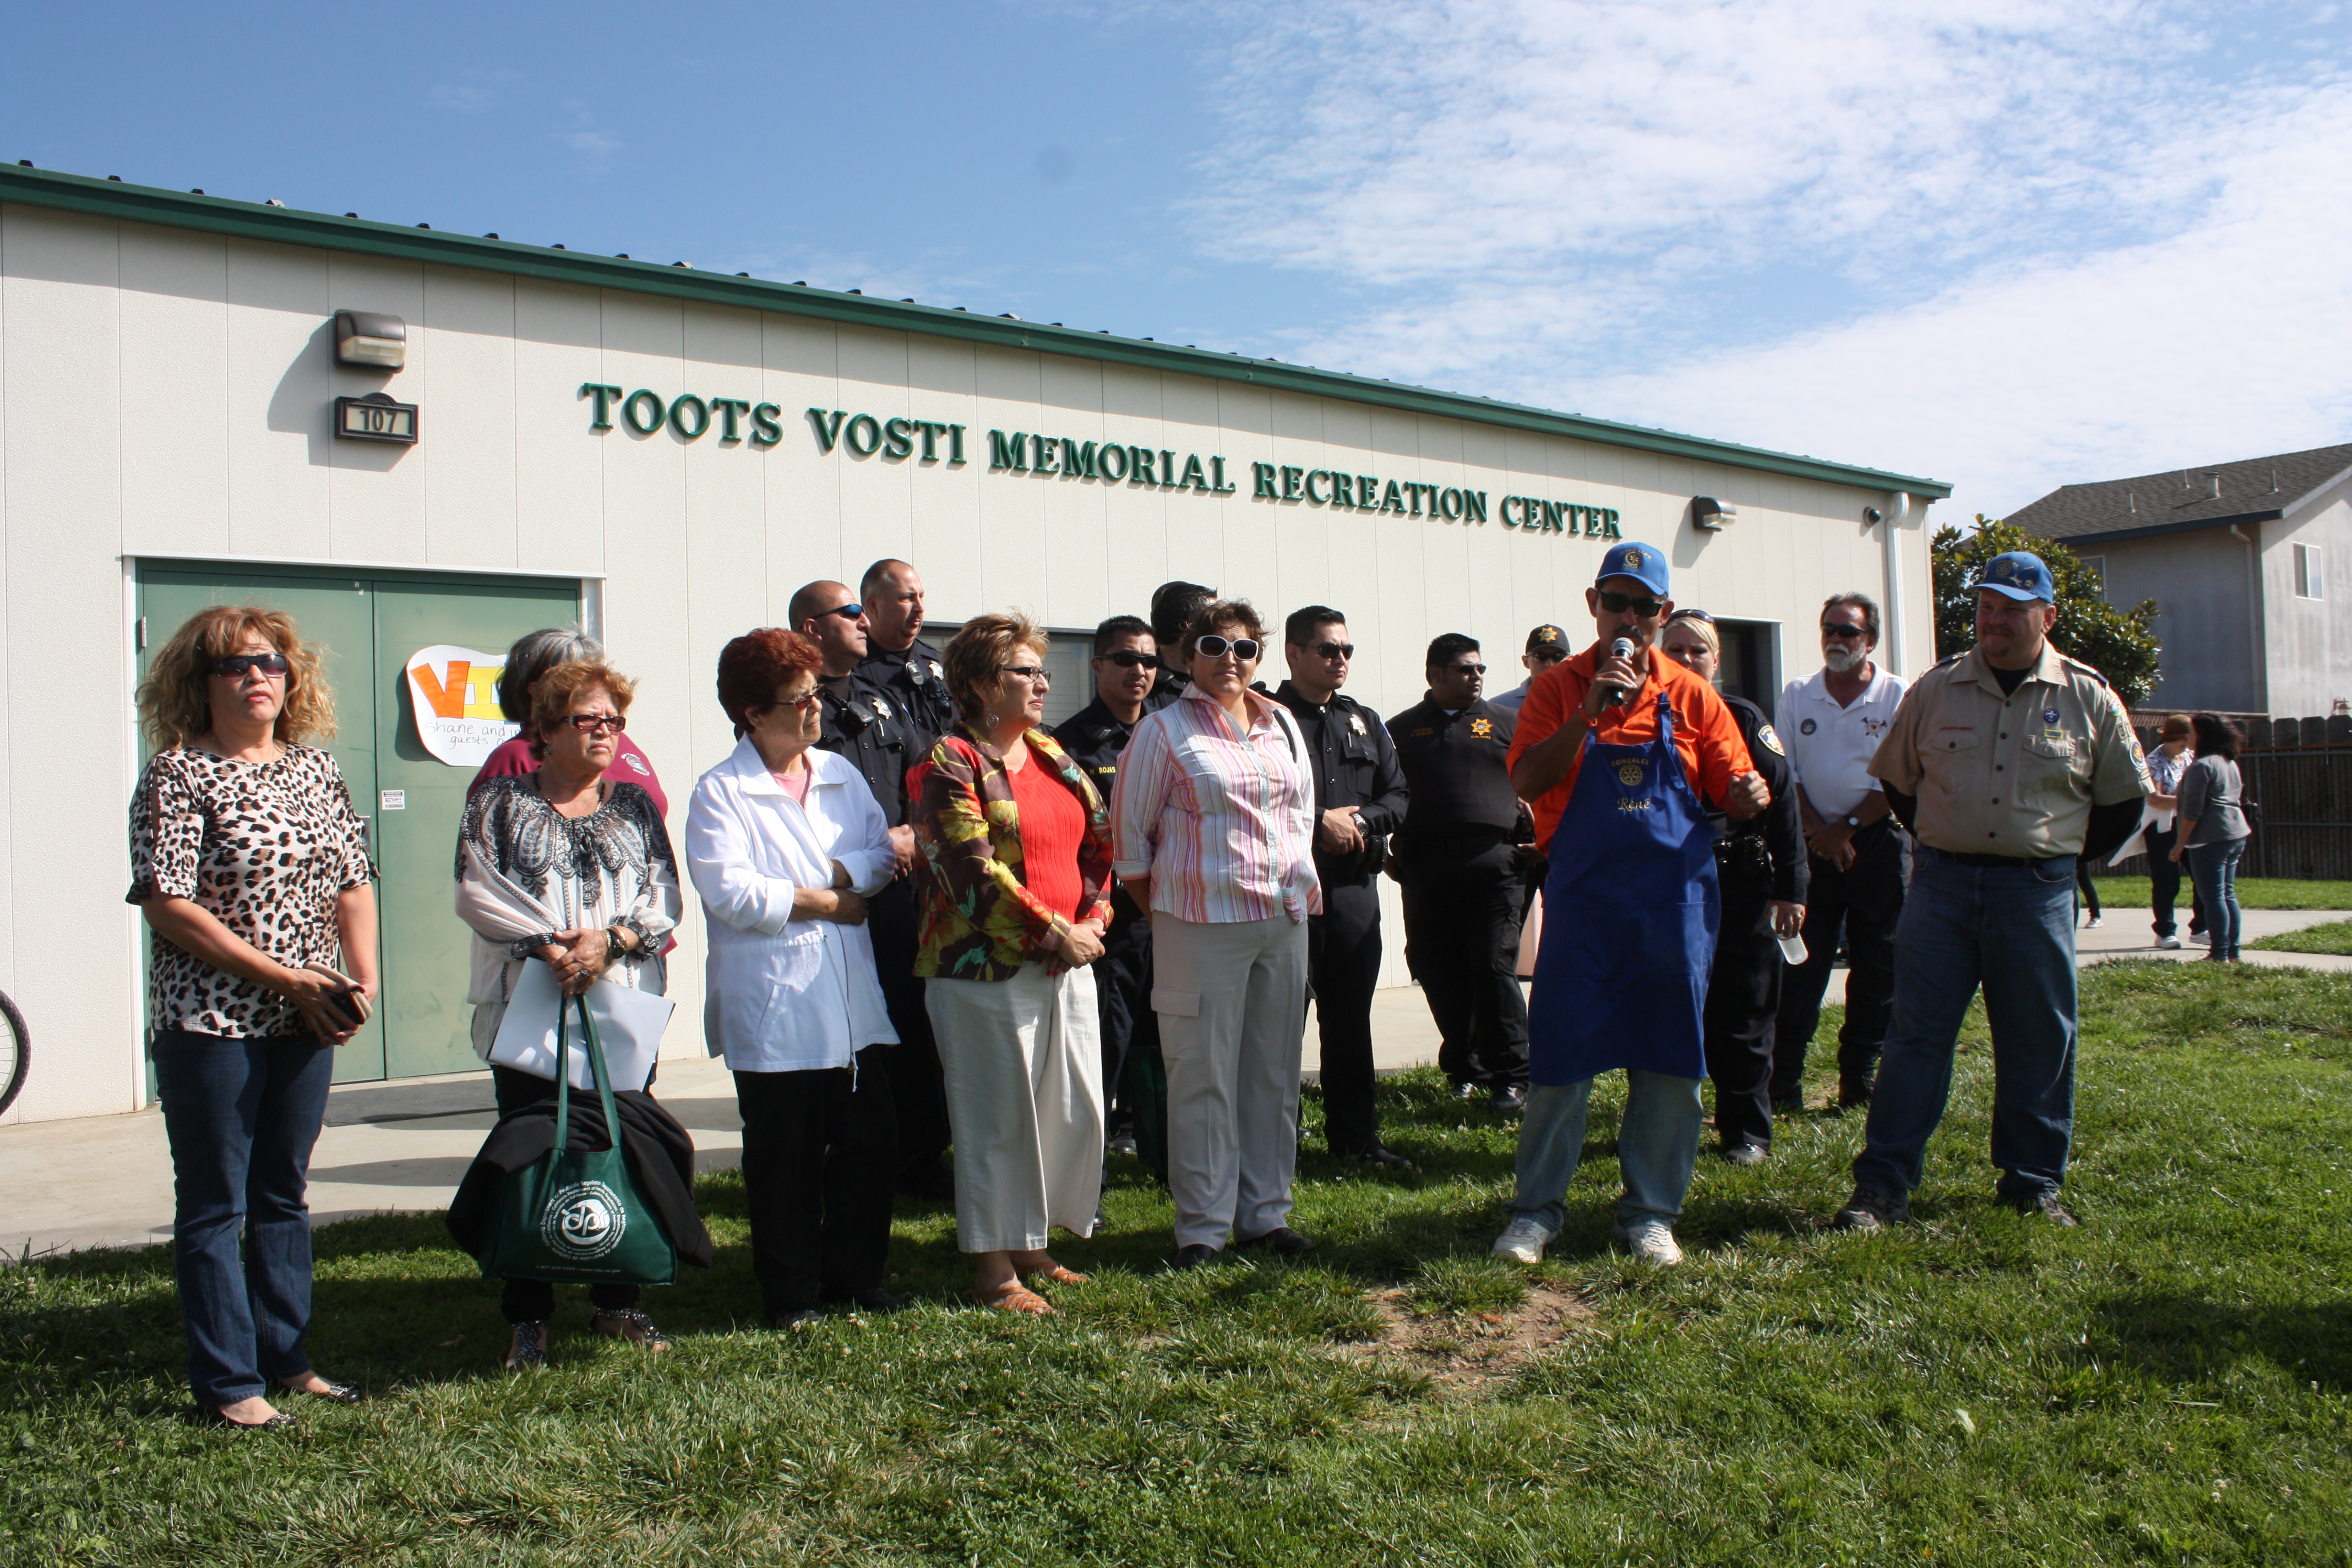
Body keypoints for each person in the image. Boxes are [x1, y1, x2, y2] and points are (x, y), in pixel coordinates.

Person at [1833, 551, 2151, 1233]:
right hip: (1943, 886)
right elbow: (1898, 781)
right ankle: (1883, 1186)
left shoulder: (2087, 695)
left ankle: (2032, 1183)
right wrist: (1951, 841)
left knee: (2038, 1038)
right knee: (1915, 1037)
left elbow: (2124, 802)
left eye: (2011, 608)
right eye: (1985, 607)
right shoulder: (1937, 688)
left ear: (2047, 616)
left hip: (2035, 893)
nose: (1994, 620)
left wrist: (2053, 855)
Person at [128, 607, 379, 1429]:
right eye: (237, 665)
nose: (259, 677)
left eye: (272, 662)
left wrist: (360, 980)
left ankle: (289, 1358)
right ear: (199, 684)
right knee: (214, 1202)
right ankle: (230, 1383)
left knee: (283, 1192)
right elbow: (168, 906)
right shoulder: (178, 775)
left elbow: (353, 878)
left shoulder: (313, 769)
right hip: (211, 1020)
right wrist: (283, 979)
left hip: (306, 1019)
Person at [1491, 543, 1770, 1267]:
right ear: (1594, 605)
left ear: (1664, 614)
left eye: (1646, 606)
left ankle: (1650, 1214)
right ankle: (1535, 1213)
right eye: (1618, 602)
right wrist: (1588, 715)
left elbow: (1731, 783)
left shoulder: (1693, 694)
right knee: (1560, 1064)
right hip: (1584, 905)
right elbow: (1525, 778)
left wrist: (1748, 795)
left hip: (1674, 908)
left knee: (1670, 1064)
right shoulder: (1559, 687)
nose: (1631, 617)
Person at [451, 658, 696, 1368]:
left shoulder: (635, 807)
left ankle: (618, 1300)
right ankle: (528, 1315)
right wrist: (549, 947)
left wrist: (611, 941)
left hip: (620, 1004)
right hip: (532, 999)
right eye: (590, 720)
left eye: (615, 721)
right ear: (546, 729)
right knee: (531, 1145)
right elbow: (476, 889)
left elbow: (664, 896)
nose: (607, 733)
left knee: (624, 1136)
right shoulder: (498, 802)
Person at [685, 629, 905, 1329]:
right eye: (799, 698)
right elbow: (735, 894)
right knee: (785, 1161)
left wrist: (835, 880)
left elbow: (880, 854)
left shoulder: (840, 775)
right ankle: (791, 1293)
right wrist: (834, 899)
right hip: (776, 1009)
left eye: (816, 692)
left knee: (867, 1148)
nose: (816, 708)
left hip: (850, 1005)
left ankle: (856, 1277)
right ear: (753, 713)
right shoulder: (722, 792)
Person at [912, 612, 1117, 1314]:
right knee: (997, 1118)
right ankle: (995, 1273)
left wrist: (1093, 920)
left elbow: (1099, 851)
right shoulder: (951, 761)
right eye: (1023, 671)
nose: (1040, 683)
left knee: (1065, 1108)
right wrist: (1055, 930)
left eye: (1042, 671)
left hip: (1069, 961)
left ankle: (1034, 1246)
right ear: (977, 685)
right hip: (984, 970)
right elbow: (969, 871)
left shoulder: (1053, 755)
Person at [1112, 599, 1320, 1266]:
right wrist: (1174, 917)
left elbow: (1302, 817)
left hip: (1281, 925)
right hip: (1197, 928)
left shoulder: (1283, 722)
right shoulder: (1162, 731)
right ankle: (1202, 1228)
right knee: (1200, 1075)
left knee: (1272, 1074)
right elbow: (1130, 847)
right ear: (1186, 654)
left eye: (1244, 647)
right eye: (1214, 644)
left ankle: (1265, 1216)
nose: (1230, 658)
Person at [790, 579, 952, 1199]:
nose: (865, 622)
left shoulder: (879, 698)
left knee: (910, 1022)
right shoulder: (795, 709)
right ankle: (845, 1158)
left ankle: (917, 1156)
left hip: (898, 894)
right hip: (834, 896)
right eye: (852, 612)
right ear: (813, 628)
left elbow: (929, 765)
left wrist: (916, 829)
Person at [1659, 609, 1806, 1164]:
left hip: (1738, 885)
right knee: (1674, 1014)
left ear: (1717, 661)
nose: (1687, 660)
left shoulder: (1741, 717)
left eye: (1699, 651)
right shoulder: (1640, 716)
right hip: (1669, 888)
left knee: (1743, 1013)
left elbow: (1785, 801)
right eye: (1676, 650)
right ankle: (1669, 1128)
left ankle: (1746, 1131)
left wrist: (1792, 888)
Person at [1275, 606, 1412, 1167]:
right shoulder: (1267, 717)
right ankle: (1275, 1145)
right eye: (1328, 650)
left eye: (1347, 651)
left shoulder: (1364, 720)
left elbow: (1398, 795)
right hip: (1287, 890)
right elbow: (1254, 800)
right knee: (1280, 1024)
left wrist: (1357, 822)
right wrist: (1317, 822)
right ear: (1294, 653)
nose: (1340, 660)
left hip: (1353, 889)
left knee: (1350, 1019)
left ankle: (1356, 1140)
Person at [1773, 594, 1911, 1113]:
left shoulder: (1898, 694)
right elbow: (1788, 773)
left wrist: (1848, 828)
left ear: (1870, 640)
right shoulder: (1799, 695)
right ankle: (1783, 1083)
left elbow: (1901, 776)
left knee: (1879, 965)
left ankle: (1859, 1080)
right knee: (1801, 965)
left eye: (1848, 632)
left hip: (1877, 842)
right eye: (1829, 628)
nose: (1836, 639)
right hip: (1813, 846)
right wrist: (1820, 832)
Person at [1387, 634, 1532, 1112]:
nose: (1477, 676)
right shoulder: (1401, 731)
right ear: (1435, 675)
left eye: (1480, 668)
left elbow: (1543, 778)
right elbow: (1379, 790)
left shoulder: (1508, 723)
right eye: (1466, 669)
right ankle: (1466, 1069)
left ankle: (1512, 1075)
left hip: (1494, 865)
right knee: (1436, 967)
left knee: (1492, 967)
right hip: (1426, 867)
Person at [1051, 615, 1167, 1173]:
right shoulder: (1066, 743)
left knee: (1165, 1037)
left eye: (1148, 660)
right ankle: (1085, 1168)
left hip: (1168, 912)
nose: (1139, 671)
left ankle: (1159, 1151)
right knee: (1106, 1042)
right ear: (1097, 665)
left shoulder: (1170, 733)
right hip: (1108, 920)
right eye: (1125, 659)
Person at [471, 628, 669, 819]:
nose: (595, 687)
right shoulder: (517, 756)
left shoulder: (616, 739)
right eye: (575, 681)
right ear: (538, 691)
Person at [2172, 712, 2251, 963]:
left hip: (2210, 838)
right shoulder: (2228, 761)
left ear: (2203, 735)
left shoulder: (2202, 766)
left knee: (2214, 896)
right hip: (2235, 833)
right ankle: (2232, 952)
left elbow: (2193, 810)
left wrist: (2179, 844)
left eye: (2191, 732)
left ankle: (2218, 954)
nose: (2188, 737)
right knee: (2227, 893)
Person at [856, 558, 956, 752]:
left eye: (921, 596)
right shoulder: (852, 671)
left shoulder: (943, 664)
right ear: (873, 606)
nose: (920, 607)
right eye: (907, 598)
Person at [2142, 714, 2197, 949]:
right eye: (2183, 743)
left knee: (2201, 875)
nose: (2186, 748)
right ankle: (2165, 931)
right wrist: (2189, 801)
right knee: (2167, 879)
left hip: (2188, 823)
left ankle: (2201, 927)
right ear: (2172, 739)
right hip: (2162, 827)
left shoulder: (2191, 758)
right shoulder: (2153, 761)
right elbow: (2156, 799)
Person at [1145, 580, 1217, 711]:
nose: (1221, 628)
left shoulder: (1222, 679)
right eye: (1212, 621)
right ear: (1189, 626)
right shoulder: (1142, 685)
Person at [1490, 624, 1570, 715]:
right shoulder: (1500, 707)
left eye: (1558, 657)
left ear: (1571, 660)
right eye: (1541, 657)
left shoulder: (1584, 700)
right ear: (1526, 662)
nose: (1549, 664)